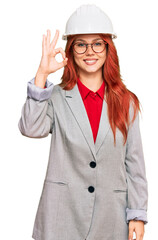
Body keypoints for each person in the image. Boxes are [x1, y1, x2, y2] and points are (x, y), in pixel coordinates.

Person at [18, 4, 148, 240]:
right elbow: (30, 128)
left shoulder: (126, 102)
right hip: (61, 217)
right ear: (70, 51)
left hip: (111, 216)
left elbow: (135, 164)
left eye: (97, 43)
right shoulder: (55, 96)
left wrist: (137, 214)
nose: (90, 51)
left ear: (109, 49)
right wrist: (42, 74)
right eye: (81, 44)